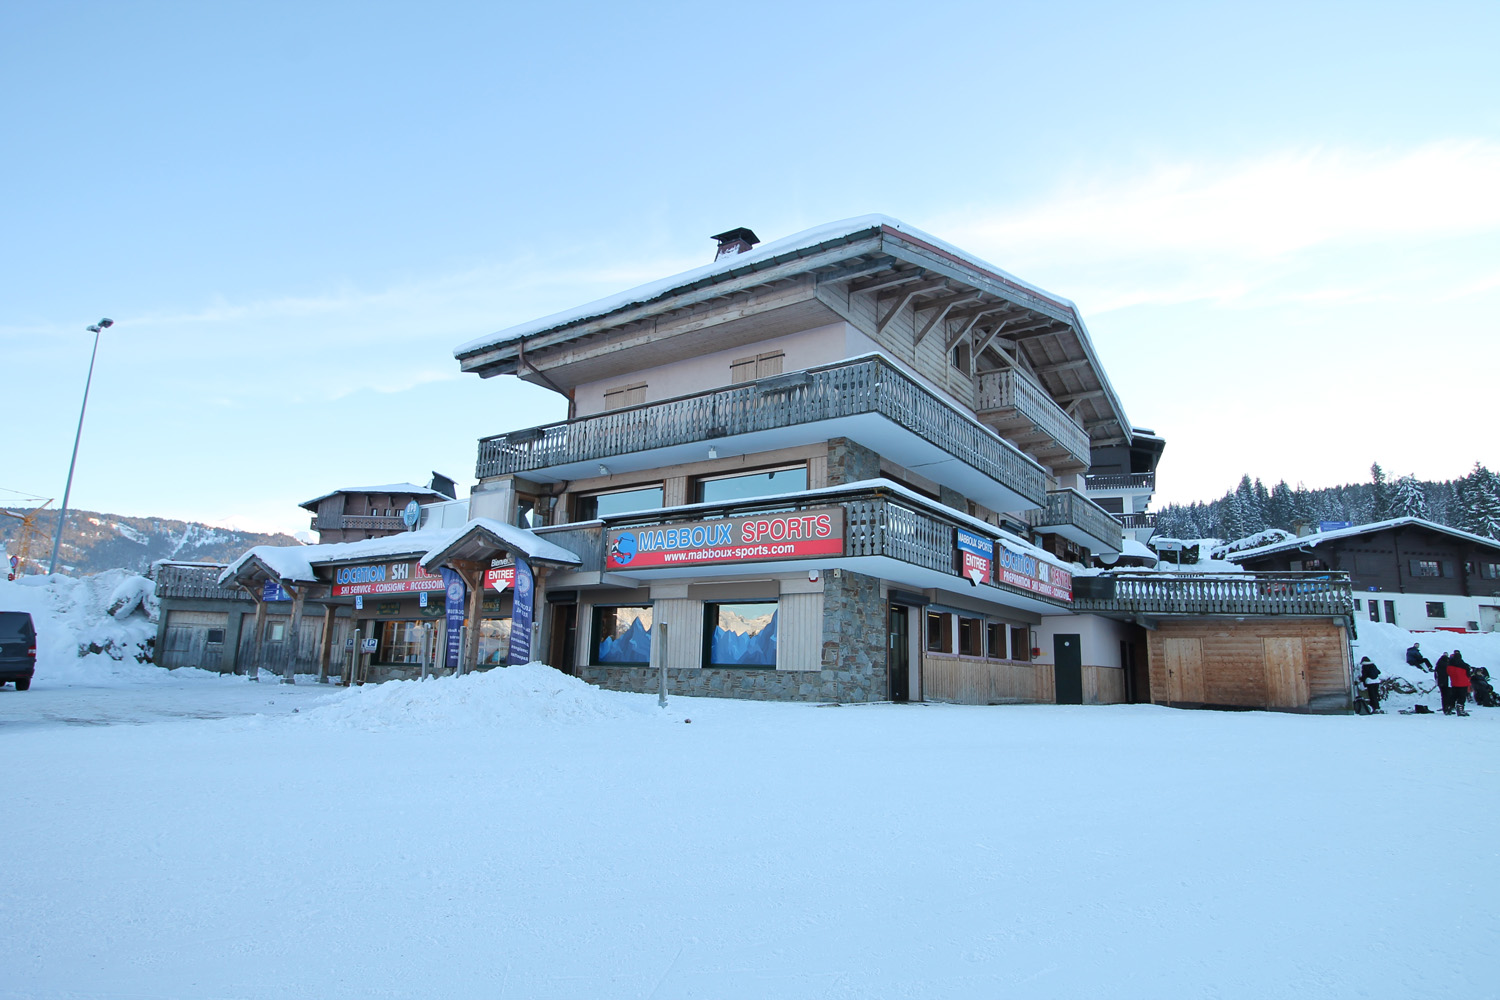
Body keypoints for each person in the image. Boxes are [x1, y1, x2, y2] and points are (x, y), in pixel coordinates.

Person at [1448, 652, 1472, 717]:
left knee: (1453, 696)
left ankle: (1450, 708)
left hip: (1454, 682)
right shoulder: (1464, 665)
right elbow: (1468, 674)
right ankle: (1460, 709)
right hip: (1463, 683)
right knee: (1462, 697)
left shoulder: (1449, 665)